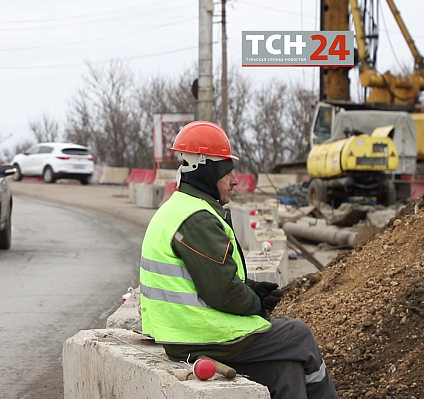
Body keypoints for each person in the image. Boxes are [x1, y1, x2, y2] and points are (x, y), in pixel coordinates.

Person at [139, 121, 338, 399]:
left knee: (286, 366)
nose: (234, 180)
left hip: (183, 333)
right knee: (298, 335)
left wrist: (250, 289)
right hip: (201, 336)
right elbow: (224, 293)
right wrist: (255, 303)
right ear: (207, 172)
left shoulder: (177, 209)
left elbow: (208, 279)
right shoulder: (197, 219)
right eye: (227, 171)